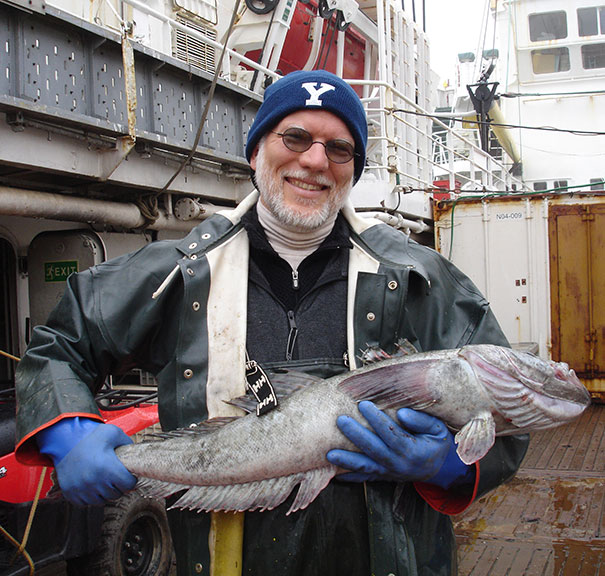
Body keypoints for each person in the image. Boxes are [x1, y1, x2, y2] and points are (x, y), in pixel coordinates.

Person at [15, 70, 529, 575]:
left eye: (339, 148)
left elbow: (512, 411)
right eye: (296, 137)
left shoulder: (420, 277)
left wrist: (447, 465)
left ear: (353, 168)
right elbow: (61, 344)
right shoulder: (179, 271)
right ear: (257, 150)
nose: (314, 160)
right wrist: (71, 432)